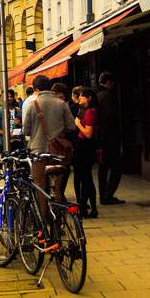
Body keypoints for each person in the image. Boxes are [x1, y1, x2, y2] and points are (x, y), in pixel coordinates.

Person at [22, 75, 76, 216]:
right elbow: (71, 127)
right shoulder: (61, 103)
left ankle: (44, 221)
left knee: (41, 186)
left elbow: (26, 130)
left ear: (35, 88)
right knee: (57, 186)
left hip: (38, 152)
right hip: (58, 152)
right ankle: (57, 219)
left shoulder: (32, 104)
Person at [96, 72, 125, 205]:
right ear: (108, 82)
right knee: (116, 168)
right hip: (110, 138)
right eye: (112, 83)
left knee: (102, 169)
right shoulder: (108, 96)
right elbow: (111, 117)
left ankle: (103, 195)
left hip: (100, 139)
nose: (113, 85)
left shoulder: (97, 96)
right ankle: (108, 195)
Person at [73, 88, 99, 218]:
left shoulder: (90, 112)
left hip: (85, 147)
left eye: (82, 97)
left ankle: (91, 209)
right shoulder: (83, 110)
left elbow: (88, 133)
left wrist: (77, 124)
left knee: (86, 179)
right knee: (85, 178)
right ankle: (84, 208)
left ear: (89, 98)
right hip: (82, 147)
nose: (80, 99)